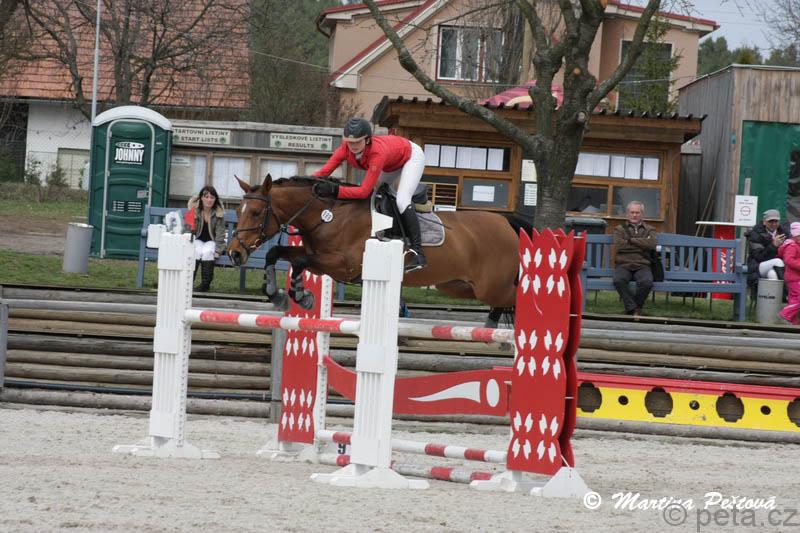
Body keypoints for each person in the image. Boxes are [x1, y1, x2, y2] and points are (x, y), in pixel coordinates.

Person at [312, 117, 427, 272]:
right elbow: (324, 172)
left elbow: (363, 191)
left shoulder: (377, 152)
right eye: (349, 142)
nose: (352, 146)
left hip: (411, 157)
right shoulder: (345, 148)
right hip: (391, 163)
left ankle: (418, 253)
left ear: (367, 140)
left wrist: (335, 190)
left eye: (357, 142)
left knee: (402, 200)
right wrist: (302, 182)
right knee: (375, 196)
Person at [611, 201, 657, 317]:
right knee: (618, 280)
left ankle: (634, 308)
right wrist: (642, 243)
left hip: (642, 264)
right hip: (624, 264)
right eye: (632, 212)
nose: (634, 215)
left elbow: (652, 244)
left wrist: (630, 240)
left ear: (642, 214)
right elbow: (619, 245)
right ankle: (633, 308)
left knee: (647, 282)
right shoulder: (619, 229)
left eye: (637, 212)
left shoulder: (650, 229)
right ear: (627, 214)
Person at [184, 185, 226, 292]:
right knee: (196, 252)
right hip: (197, 240)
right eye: (206, 197)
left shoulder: (218, 213)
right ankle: (187, 283)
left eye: (212, 197)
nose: (209, 200)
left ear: (215, 199)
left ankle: (205, 284)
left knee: (207, 252)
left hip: (211, 241)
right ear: (201, 198)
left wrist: (218, 251)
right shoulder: (194, 211)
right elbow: (187, 231)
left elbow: (220, 234)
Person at [747, 209, 786, 289]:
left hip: (777, 267)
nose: (774, 224)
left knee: (772, 274)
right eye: (771, 221)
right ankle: (788, 290)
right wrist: (773, 245)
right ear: (764, 222)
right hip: (757, 266)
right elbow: (759, 257)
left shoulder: (784, 233)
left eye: (776, 221)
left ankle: (772, 297)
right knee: (777, 261)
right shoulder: (755, 234)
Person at [778, 222, 800, 325]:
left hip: (795, 277)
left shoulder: (797, 245)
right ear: (795, 236)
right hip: (794, 277)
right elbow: (788, 260)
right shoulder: (792, 246)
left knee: (794, 299)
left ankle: (792, 321)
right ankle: (785, 314)